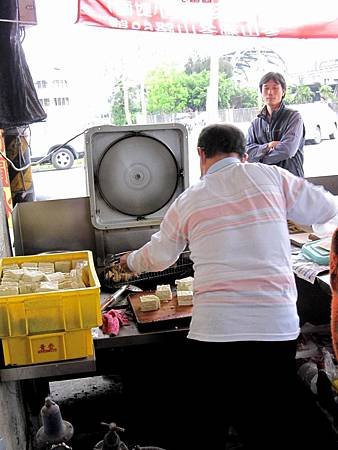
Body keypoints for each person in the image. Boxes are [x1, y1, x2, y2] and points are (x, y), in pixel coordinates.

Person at [120, 123, 337, 450]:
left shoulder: (190, 199)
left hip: (214, 333)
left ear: (201, 154)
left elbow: (160, 256)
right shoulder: (271, 177)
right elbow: (328, 208)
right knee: (267, 418)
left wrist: (130, 262)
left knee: (207, 424)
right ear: (245, 155)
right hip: (275, 330)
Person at [246, 71, 305, 177]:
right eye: (266, 88)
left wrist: (258, 158)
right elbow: (247, 152)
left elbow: (288, 150)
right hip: (265, 182)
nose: (270, 92)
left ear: (283, 92)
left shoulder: (293, 117)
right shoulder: (256, 123)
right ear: (261, 92)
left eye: (275, 88)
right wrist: (268, 146)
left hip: (290, 180)